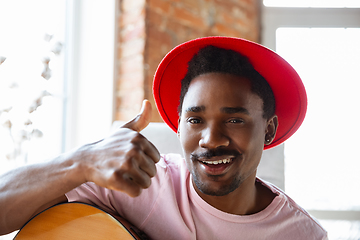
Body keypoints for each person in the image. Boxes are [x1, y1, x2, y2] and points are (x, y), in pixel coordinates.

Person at [0, 36, 327, 239]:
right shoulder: (138, 183)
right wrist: (80, 162)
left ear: (268, 129)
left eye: (234, 119)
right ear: (179, 125)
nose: (211, 140)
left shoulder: (302, 235)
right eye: (195, 119)